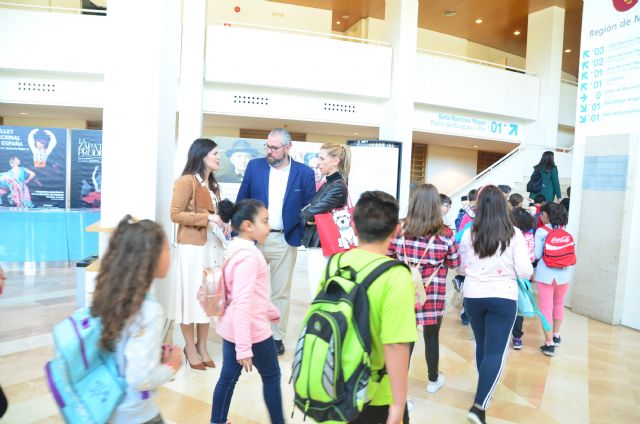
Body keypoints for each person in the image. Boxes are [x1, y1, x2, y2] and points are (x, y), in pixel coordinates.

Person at [319, 191, 415, 424]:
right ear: (396, 230)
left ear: (353, 226)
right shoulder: (395, 275)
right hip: (374, 394)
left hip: (333, 383)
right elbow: (395, 344)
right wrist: (398, 404)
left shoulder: (336, 263)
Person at [90, 216, 183, 424]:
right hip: (137, 414)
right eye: (167, 249)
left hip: (109, 408)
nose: (170, 255)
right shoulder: (149, 311)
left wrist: (152, 355)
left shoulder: (113, 297)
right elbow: (140, 378)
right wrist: (172, 366)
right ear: (151, 257)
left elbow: (124, 353)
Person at [457, 185, 533, 424]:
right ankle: (479, 407)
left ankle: (483, 389)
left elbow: (462, 265)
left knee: (482, 345)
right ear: (504, 206)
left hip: (473, 295)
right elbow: (524, 270)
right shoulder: (514, 234)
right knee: (496, 352)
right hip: (503, 296)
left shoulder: (470, 232)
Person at [236, 128, 315, 355]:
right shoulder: (255, 167)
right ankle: (249, 335)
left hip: (284, 238)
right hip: (254, 240)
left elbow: (309, 206)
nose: (269, 151)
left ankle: (276, 337)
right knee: (249, 289)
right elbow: (242, 200)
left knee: (280, 292)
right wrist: (238, 234)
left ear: (288, 148)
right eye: (267, 146)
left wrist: (303, 228)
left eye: (274, 147)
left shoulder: (304, 173)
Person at [210, 199, 284, 424]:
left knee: (228, 378)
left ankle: (217, 421)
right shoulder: (250, 256)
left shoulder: (234, 249)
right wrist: (244, 348)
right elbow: (243, 301)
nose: (269, 227)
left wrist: (269, 309)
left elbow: (247, 292)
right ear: (247, 225)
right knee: (272, 377)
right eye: (265, 221)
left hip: (232, 327)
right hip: (251, 332)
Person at [388, 184, 460, 394]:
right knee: (431, 337)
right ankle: (432, 380)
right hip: (433, 292)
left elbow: (389, 255)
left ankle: (400, 386)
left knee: (406, 338)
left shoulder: (400, 228)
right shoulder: (445, 234)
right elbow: (454, 263)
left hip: (405, 289)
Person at [170, 138, 230, 370]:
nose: (218, 157)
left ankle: (202, 346)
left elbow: (216, 217)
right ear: (202, 155)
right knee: (191, 299)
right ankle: (190, 347)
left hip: (213, 249)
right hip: (192, 250)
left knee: (209, 300)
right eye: (215, 153)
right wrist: (208, 218)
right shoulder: (186, 181)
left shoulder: (212, 185)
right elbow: (175, 214)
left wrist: (223, 223)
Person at [300, 143, 350, 299]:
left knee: (318, 294)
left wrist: (307, 216)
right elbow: (309, 212)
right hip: (319, 245)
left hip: (322, 246)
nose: (318, 162)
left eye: (322, 158)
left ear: (336, 161)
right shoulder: (329, 184)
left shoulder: (337, 186)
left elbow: (308, 213)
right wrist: (308, 215)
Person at [534, 202, 572, 357]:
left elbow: (536, 255)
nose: (541, 216)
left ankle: (549, 344)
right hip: (564, 274)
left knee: (546, 308)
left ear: (546, 215)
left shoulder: (541, 232)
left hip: (545, 274)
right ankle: (556, 335)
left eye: (542, 213)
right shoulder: (564, 230)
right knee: (559, 304)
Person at [510, 207, 536, 350]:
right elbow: (532, 256)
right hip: (524, 277)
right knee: (520, 307)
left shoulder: (509, 235)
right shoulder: (529, 236)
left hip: (508, 276)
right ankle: (517, 337)